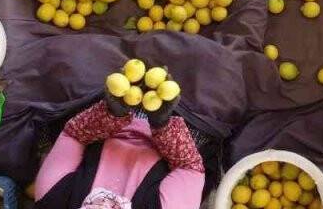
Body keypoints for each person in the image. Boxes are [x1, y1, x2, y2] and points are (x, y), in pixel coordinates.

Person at [35, 88, 205, 208]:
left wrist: (111, 114)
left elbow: (73, 134)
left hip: (100, 115)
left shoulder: (53, 200)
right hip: (177, 131)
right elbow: (189, 167)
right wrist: (162, 124)